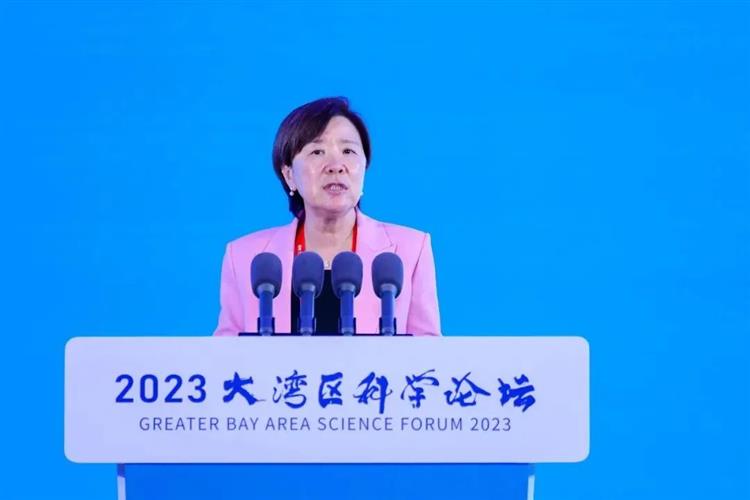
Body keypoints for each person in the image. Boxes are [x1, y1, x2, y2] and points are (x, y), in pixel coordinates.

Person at [213, 97, 440, 336]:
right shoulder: (245, 257)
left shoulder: (410, 250)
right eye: (317, 151)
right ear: (289, 175)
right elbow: (226, 354)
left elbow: (428, 352)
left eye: (348, 151)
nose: (336, 165)